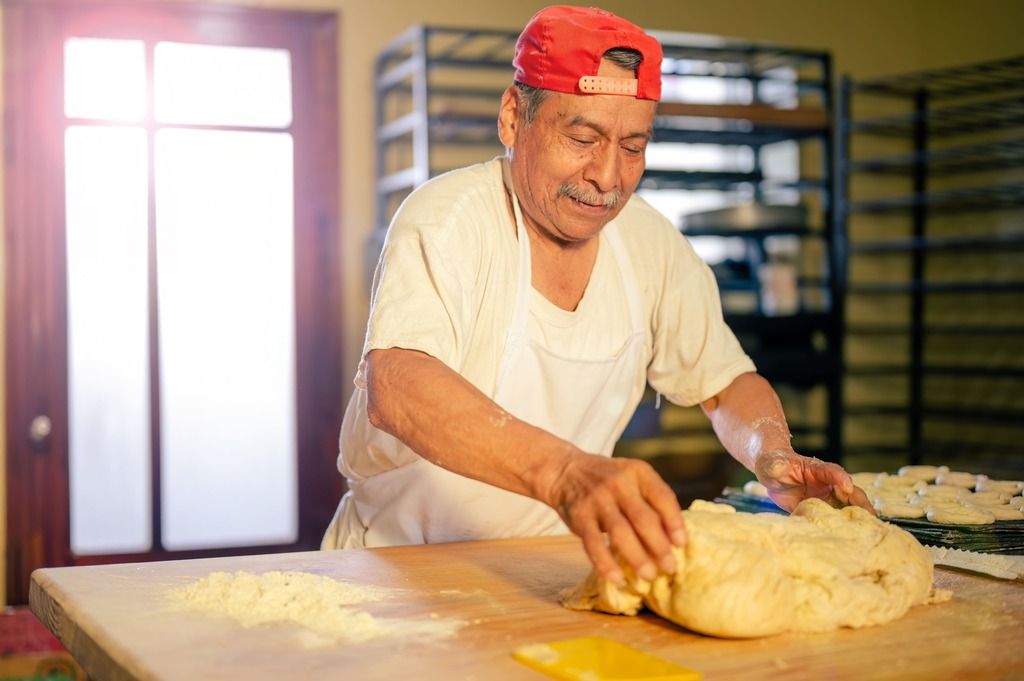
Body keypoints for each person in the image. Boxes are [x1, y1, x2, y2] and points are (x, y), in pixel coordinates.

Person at [322, 5, 871, 586]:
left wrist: (771, 452)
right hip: (397, 568)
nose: (608, 177)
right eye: (582, 138)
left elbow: (725, 381)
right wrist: (564, 474)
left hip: (549, 574)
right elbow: (399, 383)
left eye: (632, 147)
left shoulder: (651, 245)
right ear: (513, 117)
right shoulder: (451, 220)